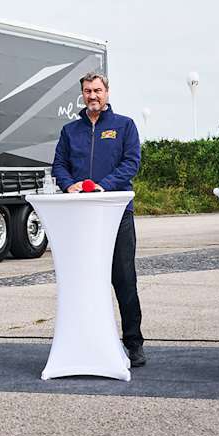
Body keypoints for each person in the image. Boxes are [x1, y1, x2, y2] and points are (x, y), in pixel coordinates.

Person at [51, 72, 146, 367]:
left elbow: (132, 163)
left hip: (117, 215)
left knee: (124, 279)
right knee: (84, 280)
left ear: (107, 92)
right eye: (87, 91)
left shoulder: (124, 126)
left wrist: (104, 184)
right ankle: (87, 338)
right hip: (80, 217)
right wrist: (69, 185)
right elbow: (59, 165)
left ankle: (134, 342)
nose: (92, 95)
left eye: (97, 90)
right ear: (82, 94)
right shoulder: (70, 131)